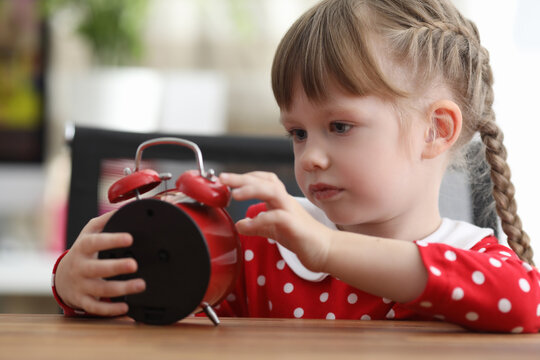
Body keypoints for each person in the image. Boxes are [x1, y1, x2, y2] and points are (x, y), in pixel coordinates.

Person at [52, 0, 540, 332]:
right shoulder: (268, 249)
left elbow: (525, 302)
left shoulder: (477, 260)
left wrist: (328, 248)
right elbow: (156, 306)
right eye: (297, 133)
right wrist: (76, 282)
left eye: (341, 126)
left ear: (436, 130)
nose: (310, 157)